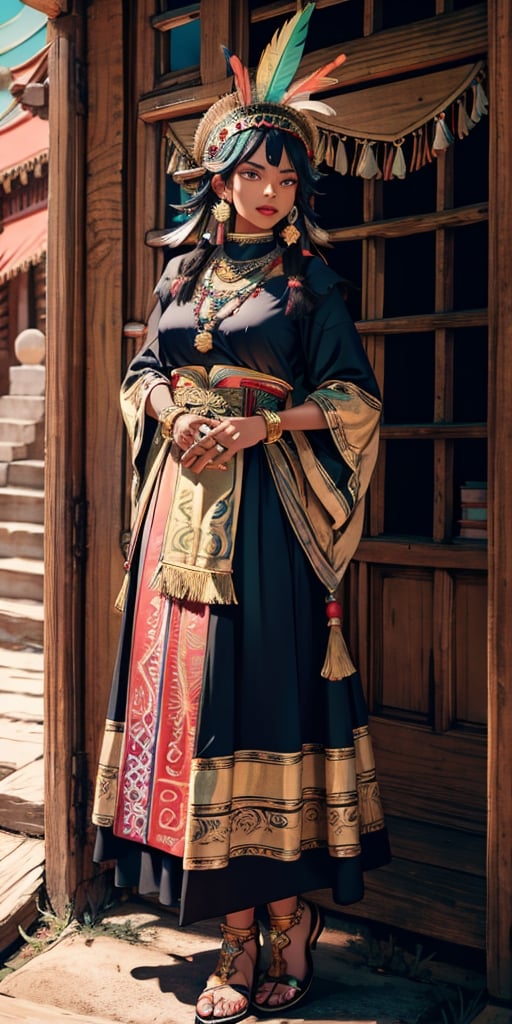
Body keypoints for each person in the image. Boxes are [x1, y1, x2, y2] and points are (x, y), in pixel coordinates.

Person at [93, 5, 390, 1022]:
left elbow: (355, 403)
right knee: (186, 714)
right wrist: (174, 409)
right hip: (177, 520)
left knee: (253, 707)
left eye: (284, 178)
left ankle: (289, 922)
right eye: (251, 174)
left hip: (267, 527)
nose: (270, 192)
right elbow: (141, 370)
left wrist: (266, 429)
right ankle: (229, 937)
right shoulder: (180, 276)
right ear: (216, 180)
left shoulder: (311, 288)